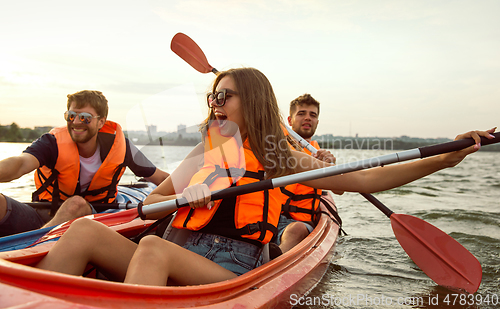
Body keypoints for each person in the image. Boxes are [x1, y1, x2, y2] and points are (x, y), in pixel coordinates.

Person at [35, 68, 495, 287]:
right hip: (179, 246)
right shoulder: (207, 148)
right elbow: (152, 202)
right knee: (81, 231)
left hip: (232, 266)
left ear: (251, 101)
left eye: (226, 96)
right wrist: (184, 197)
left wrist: (445, 158)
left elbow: (368, 178)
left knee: (154, 249)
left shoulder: (279, 155)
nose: (216, 104)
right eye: (213, 96)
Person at [0, 90, 169, 237]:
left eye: (85, 118)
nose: (76, 122)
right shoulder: (51, 142)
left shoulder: (123, 147)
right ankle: (32, 244)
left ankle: (32, 248)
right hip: (44, 214)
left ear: (101, 122)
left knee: (76, 204)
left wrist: (192, 188)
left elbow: (160, 178)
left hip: (93, 220)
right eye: (71, 116)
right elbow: (20, 164)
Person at [273, 93, 337, 255]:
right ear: (289, 121)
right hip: (269, 216)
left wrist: (330, 166)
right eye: (301, 113)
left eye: (312, 115)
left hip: (298, 222)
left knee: (297, 229)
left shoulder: (320, 154)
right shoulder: (275, 146)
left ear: (317, 122)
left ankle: (271, 265)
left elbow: (339, 189)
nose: (307, 118)